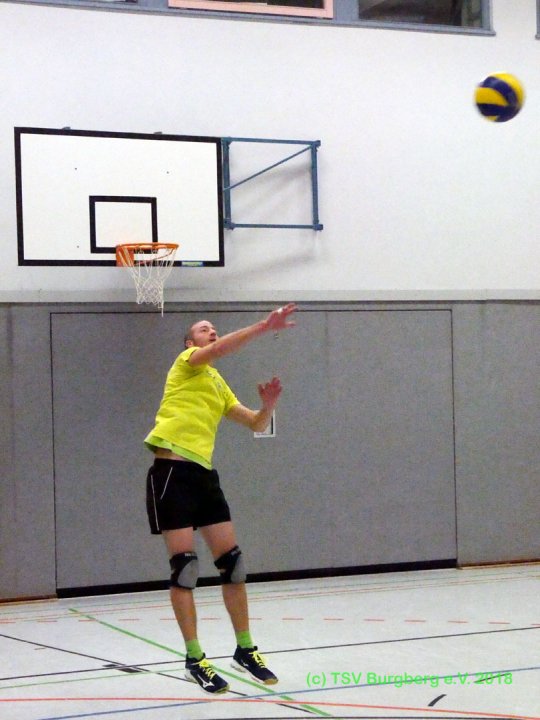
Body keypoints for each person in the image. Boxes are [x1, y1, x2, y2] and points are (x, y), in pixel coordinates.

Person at [144, 303, 297, 694]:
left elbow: (255, 422)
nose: (210, 331)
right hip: (172, 472)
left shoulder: (217, 382)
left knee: (233, 564)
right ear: (189, 342)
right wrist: (264, 326)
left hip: (204, 476)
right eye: (203, 328)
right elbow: (220, 350)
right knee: (185, 569)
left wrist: (268, 406)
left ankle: (245, 650)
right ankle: (195, 659)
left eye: (213, 327)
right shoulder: (186, 363)